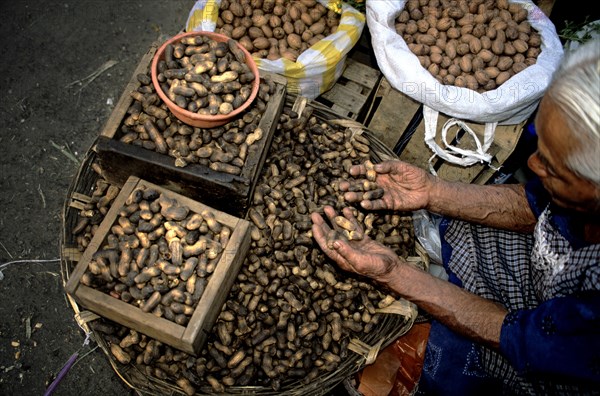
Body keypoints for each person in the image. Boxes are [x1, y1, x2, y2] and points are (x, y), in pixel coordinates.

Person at [311, 38, 600, 395]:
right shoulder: (580, 194)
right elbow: (536, 203)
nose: (532, 165)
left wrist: (394, 273)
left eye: (555, 169)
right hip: (550, 287)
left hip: (568, 356)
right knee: (457, 233)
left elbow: (521, 339)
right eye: (541, 148)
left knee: (455, 359)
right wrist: (433, 192)